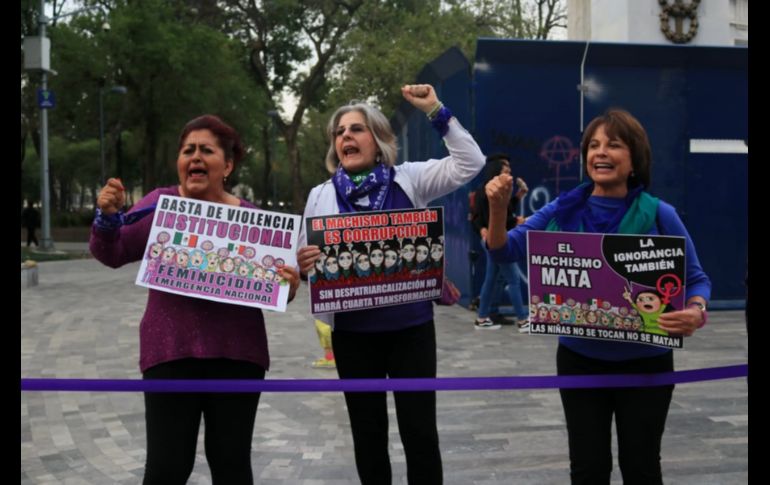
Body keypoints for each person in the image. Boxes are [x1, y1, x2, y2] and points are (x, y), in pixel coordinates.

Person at [484, 108, 711, 484]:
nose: (600, 152)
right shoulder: (562, 209)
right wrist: (496, 209)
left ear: (635, 159)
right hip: (580, 361)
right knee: (587, 468)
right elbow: (503, 250)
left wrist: (696, 311)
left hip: (646, 364)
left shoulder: (660, 214)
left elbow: (697, 278)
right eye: (593, 145)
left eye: (614, 145)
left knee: (641, 466)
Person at [90, 114, 300, 484]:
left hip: (237, 356)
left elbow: (276, 287)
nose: (195, 157)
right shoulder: (159, 205)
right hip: (169, 353)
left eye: (207, 150)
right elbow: (113, 253)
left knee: (232, 465)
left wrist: (289, 284)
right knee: (166, 468)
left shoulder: (253, 220)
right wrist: (108, 219)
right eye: (188, 151)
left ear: (228, 165)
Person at [297, 84, 485, 484]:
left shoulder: (410, 179)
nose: (345, 136)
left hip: (411, 331)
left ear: (379, 139)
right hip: (353, 336)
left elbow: (471, 163)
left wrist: (436, 109)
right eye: (339, 132)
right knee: (367, 436)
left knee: (419, 433)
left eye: (356, 129)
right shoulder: (320, 197)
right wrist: (303, 263)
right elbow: (301, 262)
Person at [472, 154, 529, 331]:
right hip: (499, 241)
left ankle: (482, 318)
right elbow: (496, 218)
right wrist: (516, 221)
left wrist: (520, 195)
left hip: (493, 240)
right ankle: (523, 320)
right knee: (513, 280)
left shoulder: (485, 189)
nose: (510, 173)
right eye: (506, 170)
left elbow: (503, 209)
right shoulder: (490, 191)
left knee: (491, 279)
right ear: (497, 170)